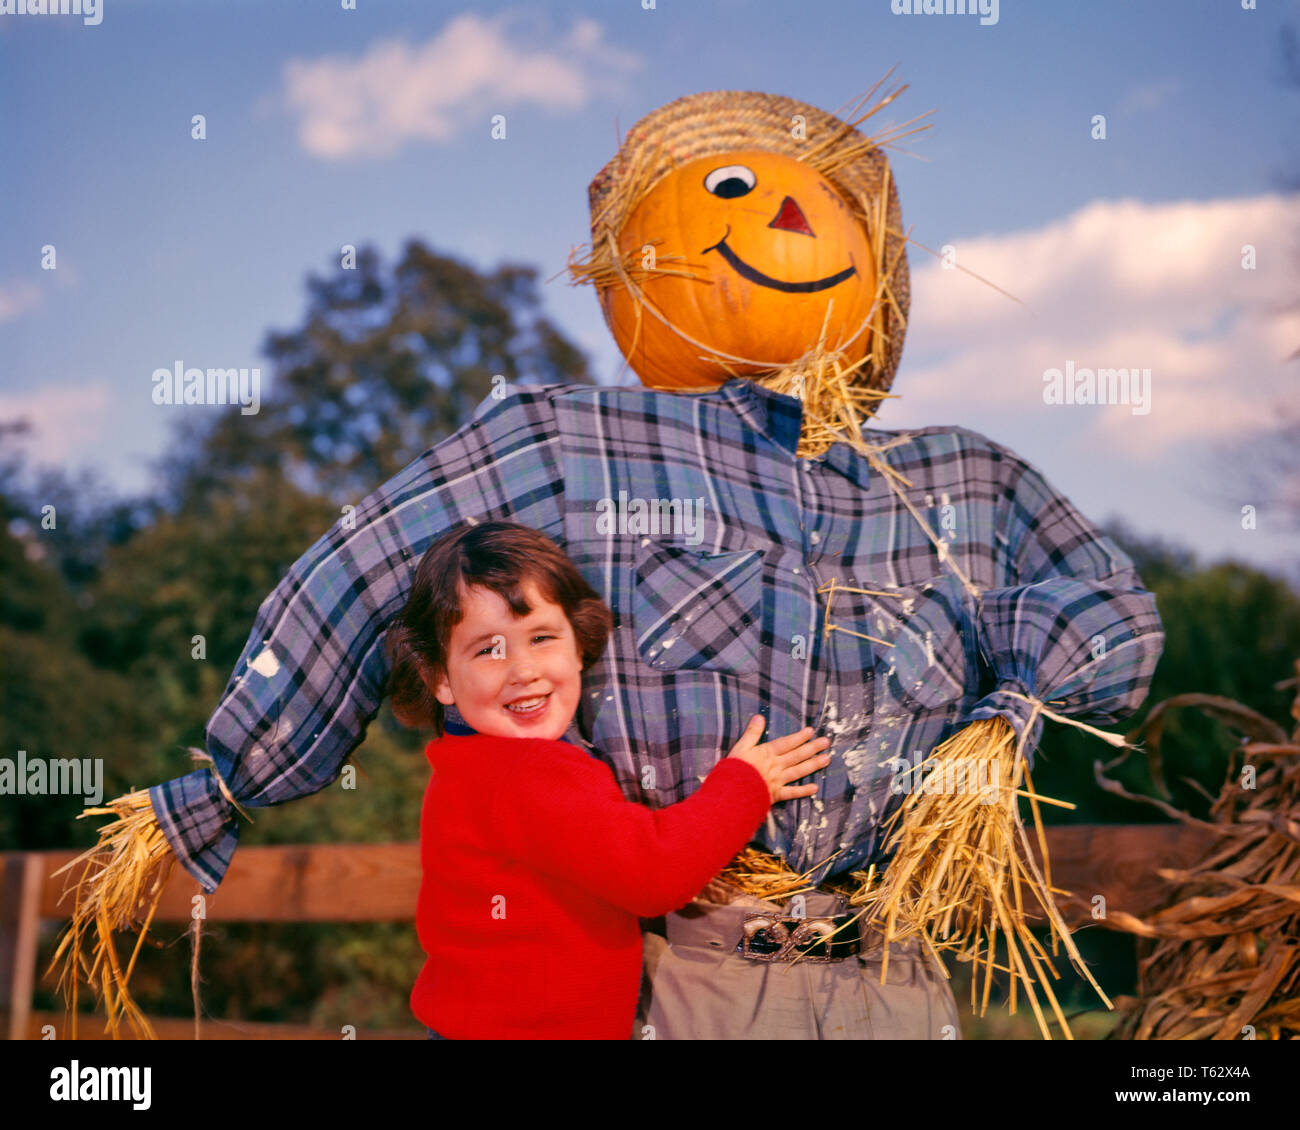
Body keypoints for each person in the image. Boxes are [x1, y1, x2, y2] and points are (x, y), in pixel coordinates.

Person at [384, 519, 832, 1040]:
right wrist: (747, 784)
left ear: (579, 646)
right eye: (488, 650)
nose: (523, 668)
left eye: (542, 637)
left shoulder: (466, 764)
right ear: (440, 677)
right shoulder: (524, 773)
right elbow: (654, 875)